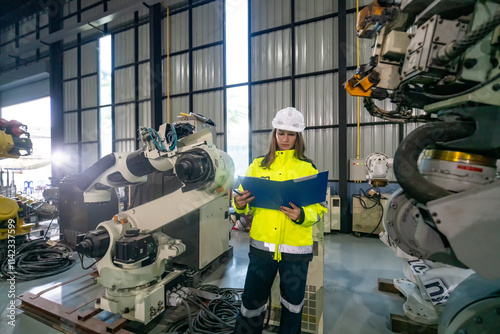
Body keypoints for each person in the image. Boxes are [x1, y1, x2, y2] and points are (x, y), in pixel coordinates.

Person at [232, 107, 328, 334]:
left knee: (293, 304)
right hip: (262, 248)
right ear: (274, 134)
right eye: (281, 133)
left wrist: (302, 215)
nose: (285, 139)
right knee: (251, 303)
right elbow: (241, 200)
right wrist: (240, 202)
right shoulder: (258, 165)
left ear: (298, 137)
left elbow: (318, 208)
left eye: (291, 134)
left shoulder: (307, 168)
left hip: (295, 252)